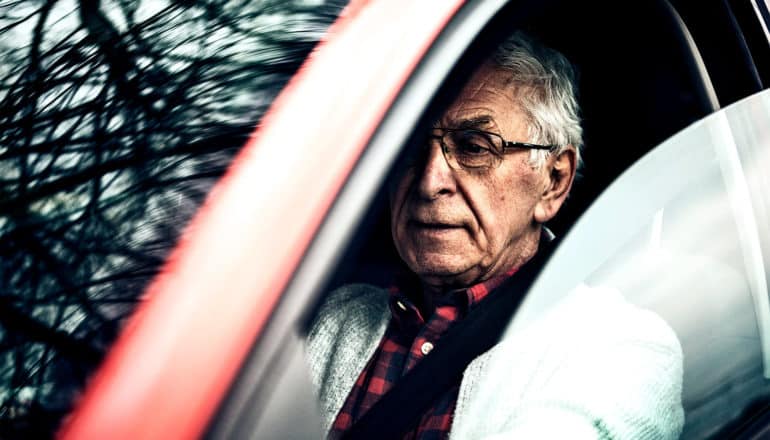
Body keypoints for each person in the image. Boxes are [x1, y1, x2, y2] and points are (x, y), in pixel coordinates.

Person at [306, 31, 684, 439]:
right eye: (411, 145)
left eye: (474, 147)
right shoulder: (333, 317)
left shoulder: (620, 348)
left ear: (554, 182)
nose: (430, 181)